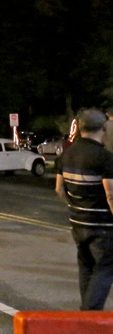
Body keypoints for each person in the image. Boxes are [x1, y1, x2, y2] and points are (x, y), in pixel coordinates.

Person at [56, 109, 113, 310]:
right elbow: (110, 194)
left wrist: (75, 207)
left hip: (78, 222)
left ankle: (86, 310)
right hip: (102, 225)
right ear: (103, 128)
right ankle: (89, 313)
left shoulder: (67, 154)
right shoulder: (105, 158)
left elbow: (59, 189)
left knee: (86, 266)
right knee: (105, 266)